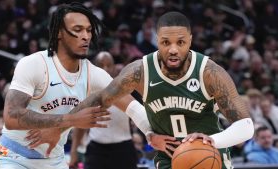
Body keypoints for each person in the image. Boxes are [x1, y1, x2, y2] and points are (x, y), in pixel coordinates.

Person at [28, 11, 254, 169]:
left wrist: (212, 141)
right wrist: (58, 127)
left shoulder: (209, 72)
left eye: (180, 42)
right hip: (168, 161)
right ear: (157, 40)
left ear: (190, 40)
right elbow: (102, 98)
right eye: (166, 42)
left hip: (210, 159)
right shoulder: (140, 71)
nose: (173, 49)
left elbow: (246, 126)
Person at [69, 51, 138, 169]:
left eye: (108, 65)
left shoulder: (126, 88)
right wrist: (74, 151)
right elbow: (79, 125)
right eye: (101, 65)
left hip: (124, 149)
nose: (105, 68)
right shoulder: (88, 92)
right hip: (96, 150)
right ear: (95, 68)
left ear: (114, 67)